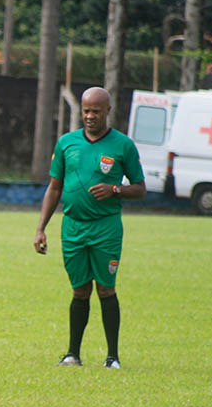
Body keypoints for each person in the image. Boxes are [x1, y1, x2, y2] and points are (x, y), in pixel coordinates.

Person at [33, 87, 146, 369]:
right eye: (86, 111)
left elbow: (140, 189)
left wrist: (115, 189)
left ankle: (112, 357)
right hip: (72, 228)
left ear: (108, 111)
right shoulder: (66, 143)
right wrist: (41, 228)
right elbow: (54, 188)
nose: (90, 116)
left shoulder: (123, 145)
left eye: (96, 111)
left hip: (106, 228)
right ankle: (73, 354)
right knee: (79, 289)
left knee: (105, 289)